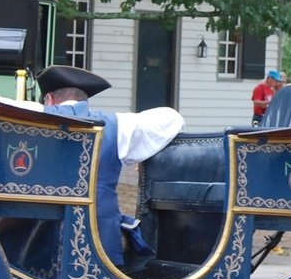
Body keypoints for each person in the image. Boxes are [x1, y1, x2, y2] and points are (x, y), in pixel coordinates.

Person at [36, 65, 184, 260]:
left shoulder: (32, 119)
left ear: (49, 99)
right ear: (85, 102)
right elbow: (172, 119)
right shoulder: (116, 125)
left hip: (37, 242)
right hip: (98, 243)